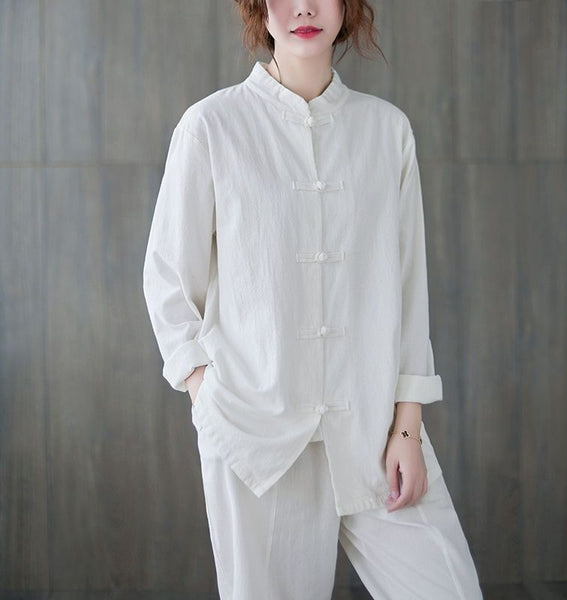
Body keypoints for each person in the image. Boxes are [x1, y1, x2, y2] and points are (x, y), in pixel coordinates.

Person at [142, 0, 484, 598]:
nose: (304, 6)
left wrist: (407, 429)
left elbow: (409, 290)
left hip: (374, 428)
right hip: (256, 437)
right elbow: (168, 280)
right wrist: (208, 397)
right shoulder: (212, 127)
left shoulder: (387, 131)